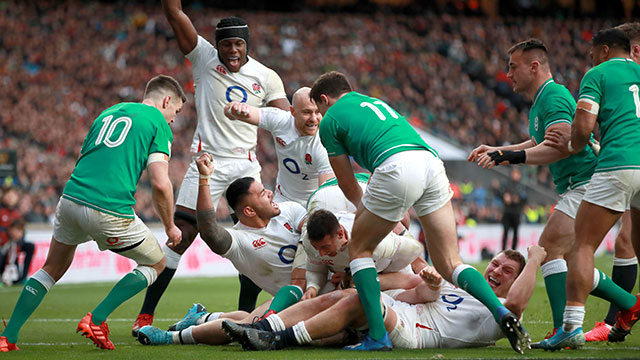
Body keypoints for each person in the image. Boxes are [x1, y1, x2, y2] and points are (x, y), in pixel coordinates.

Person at [309, 71, 530, 353]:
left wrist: (363, 210)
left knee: (359, 251)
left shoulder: (330, 119)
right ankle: (500, 311)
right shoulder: (373, 102)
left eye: (319, 108)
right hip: (430, 163)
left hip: (395, 165)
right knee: (450, 262)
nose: (319, 115)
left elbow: (347, 181)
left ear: (325, 99)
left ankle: (378, 336)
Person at [133, 0, 291, 334]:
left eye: (238, 44)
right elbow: (175, 15)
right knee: (180, 236)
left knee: (253, 241)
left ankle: (245, 316)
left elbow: (287, 120)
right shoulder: (204, 58)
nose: (231, 50)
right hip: (206, 161)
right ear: (216, 45)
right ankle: (146, 314)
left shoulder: (267, 77)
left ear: (247, 45)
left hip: (245, 167)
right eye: (226, 44)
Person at [0, 74, 186, 352]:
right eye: (176, 112)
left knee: (51, 268)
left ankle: (7, 338)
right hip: (109, 208)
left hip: (71, 198)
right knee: (157, 265)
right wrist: (170, 225)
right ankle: (96, 319)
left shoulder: (108, 112)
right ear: (166, 100)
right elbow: (160, 182)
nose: (173, 119)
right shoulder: (157, 122)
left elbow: (84, 157)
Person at [468, 39, 599, 341]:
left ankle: (564, 331)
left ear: (534, 66)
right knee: (569, 260)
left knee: (548, 246)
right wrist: (500, 150)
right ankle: (629, 304)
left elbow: (560, 146)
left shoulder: (552, 96)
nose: (507, 74)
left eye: (513, 67)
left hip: (585, 181)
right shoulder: (541, 101)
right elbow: (538, 142)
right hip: (577, 185)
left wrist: (507, 156)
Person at [222, 246, 547, 351]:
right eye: (495, 264)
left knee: (357, 301)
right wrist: (428, 286)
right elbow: (409, 290)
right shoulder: (462, 287)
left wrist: (534, 259)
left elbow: (517, 305)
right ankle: (264, 328)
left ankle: (279, 339)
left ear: (517, 280)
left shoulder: (500, 313)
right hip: (402, 311)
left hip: (416, 333)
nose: (495, 271)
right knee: (352, 293)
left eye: (506, 271)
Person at [136, 152, 308, 346]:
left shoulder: (290, 210)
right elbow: (209, 230)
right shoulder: (239, 240)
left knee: (252, 318)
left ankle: (203, 318)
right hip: (295, 301)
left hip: (313, 292)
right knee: (252, 324)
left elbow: (311, 230)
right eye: (262, 193)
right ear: (249, 210)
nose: (270, 193)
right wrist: (204, 179)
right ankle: (171, 338)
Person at [541, 28, 640, 350]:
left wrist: (573, 144)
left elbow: (583, 127)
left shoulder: (597, 74)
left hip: (617, 165)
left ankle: (570, 326)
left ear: (606, 50)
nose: (590, 58)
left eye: (592, 52)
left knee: (582, 247)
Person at [584, 22, 640, 342]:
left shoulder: (616, 75)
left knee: (582, 247)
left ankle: (617, 318)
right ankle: (619, 321)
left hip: (627, 166)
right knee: (625, 241)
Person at [224, 87, 334, 206]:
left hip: (313, 203)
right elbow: (230, 112)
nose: (313, 118)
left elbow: (325, 196)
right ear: (292, 112)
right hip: (283, 199)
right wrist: (233, 109)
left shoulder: (325, 144)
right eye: (307, 112)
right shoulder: (281, 120)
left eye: (317, 112)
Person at [302, 209, 425, 300]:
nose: (321, 253)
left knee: (416, 291)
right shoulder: (309, 242)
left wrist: (368, 276)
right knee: (323, 301)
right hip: (348, 279)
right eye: (316, 248)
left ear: (340, 234)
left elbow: (414, 249)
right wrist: (312, 287)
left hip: (388, 269)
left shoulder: (373, 240)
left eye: (325, 247)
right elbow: (316, 270)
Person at [0, 219, 34, 286]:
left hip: (11, 266)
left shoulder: (18, 242)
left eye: (21, 232)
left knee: (30, 246)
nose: (20, 234)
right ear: (10, 230)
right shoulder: (3, 237)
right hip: (3, 263)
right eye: (18, 231)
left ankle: (24, 277)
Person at [499, 168, 527, 250]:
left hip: (516, 212)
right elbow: (501, 193)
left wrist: (517, 199)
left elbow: (524, 198)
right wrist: (505, 196)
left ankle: (514, 250)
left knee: (515, 233)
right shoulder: (506, 184)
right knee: (506, 232)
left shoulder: (521, 186)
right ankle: (503, 250)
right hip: (507, 211)